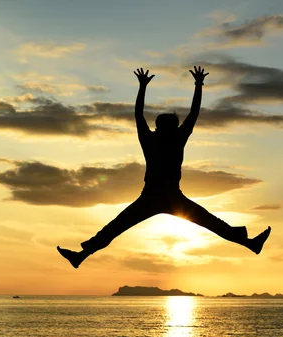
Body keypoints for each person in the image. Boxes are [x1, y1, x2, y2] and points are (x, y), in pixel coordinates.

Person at [57, 66, 271, 269]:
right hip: (158, 197)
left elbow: (146, 116)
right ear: (164, 127)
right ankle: (80, 256)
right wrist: (196, 85)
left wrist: (146, 87)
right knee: (117, 228)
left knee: (116, 228)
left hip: (161, 196)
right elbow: (179, 115)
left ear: (162, 127)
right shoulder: (169, 138)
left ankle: (80, 256)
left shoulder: (159, 139)